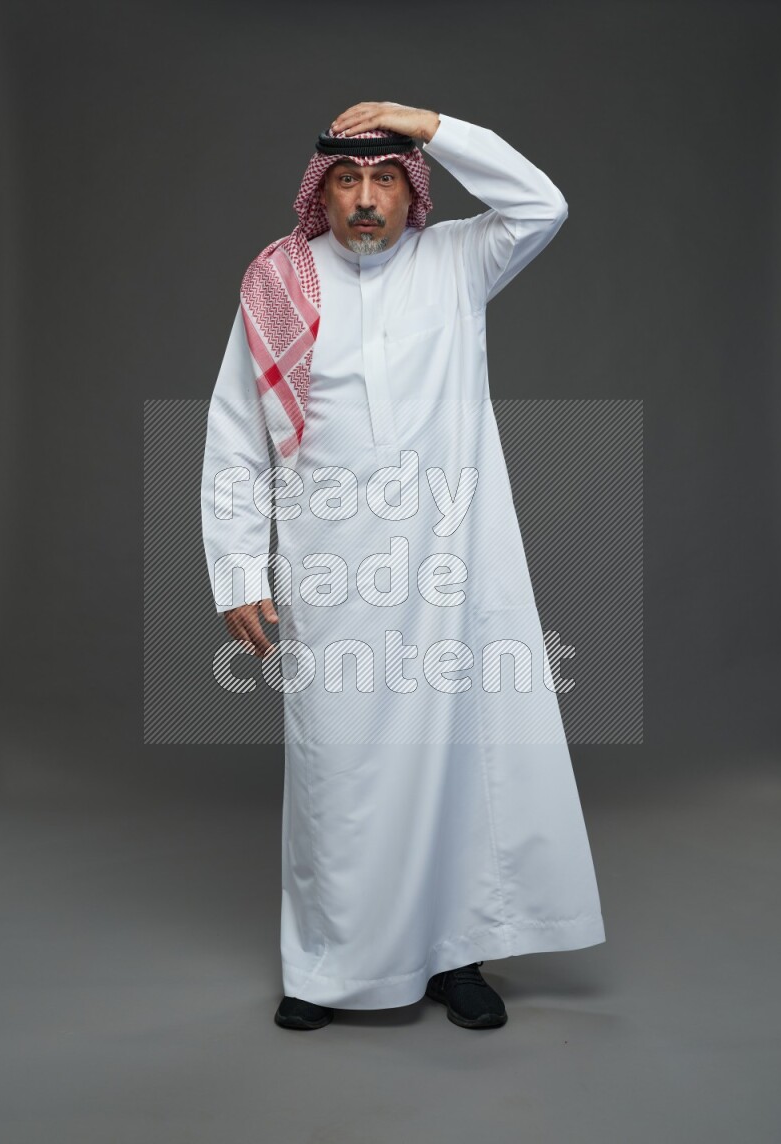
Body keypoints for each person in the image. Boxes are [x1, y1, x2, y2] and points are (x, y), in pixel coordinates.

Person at [200, 101, 605, 1032]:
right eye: (348, 181)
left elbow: (541, 204)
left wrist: (430, 123)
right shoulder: (276, 286)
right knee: (338, 771)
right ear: (322, 195)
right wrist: (238, 572)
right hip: (334, 573)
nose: (368, 200)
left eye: (385, 178)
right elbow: (234, 439)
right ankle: (327, 965)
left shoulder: (456, 261)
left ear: (411, 188)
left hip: (451, 569)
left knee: (458, 764)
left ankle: (455, 956)